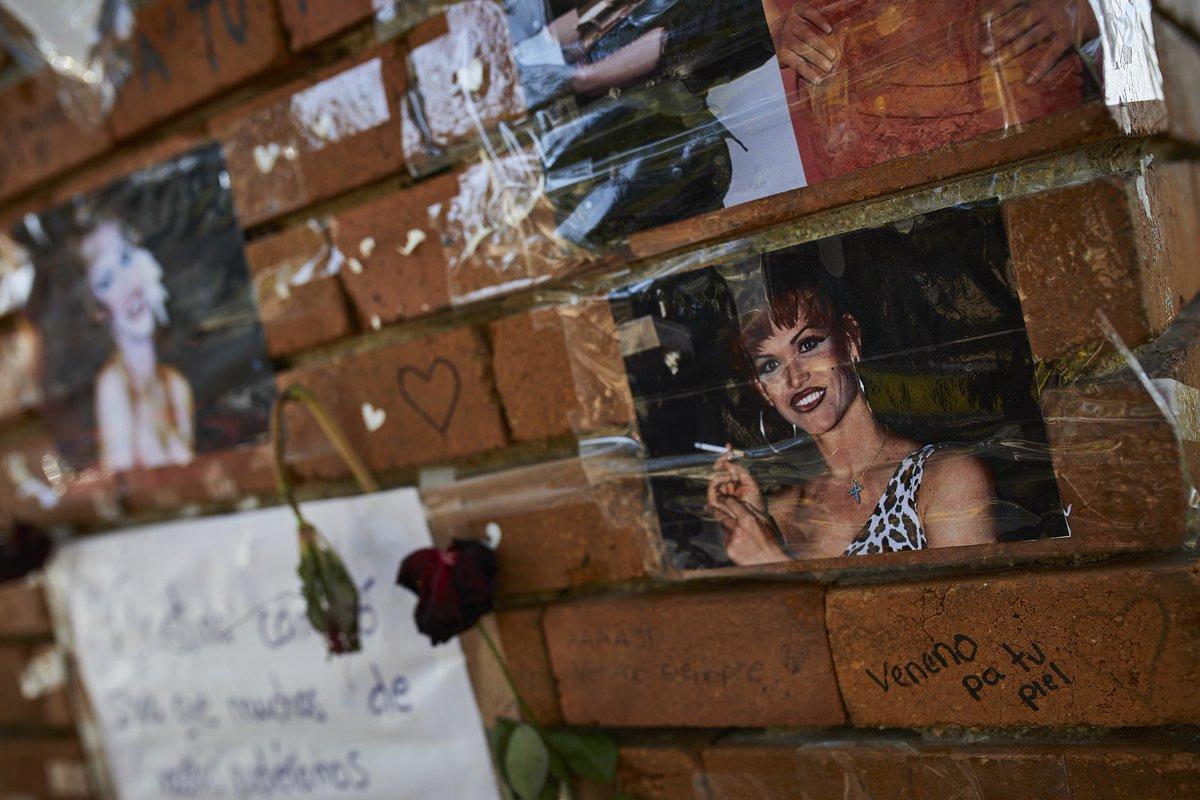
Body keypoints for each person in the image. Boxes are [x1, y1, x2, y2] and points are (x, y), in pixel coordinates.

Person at [705, 265, 997, 564]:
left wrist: (769, 562)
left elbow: (967, 610)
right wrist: (756, 522)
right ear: (762, 389)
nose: (795, 378)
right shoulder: (782, 511)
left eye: (808, 345)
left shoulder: (946, 478)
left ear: (850, 339)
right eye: (770, 365)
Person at [80, 219, 194, 472]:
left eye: (125, 260)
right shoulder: (113, 386)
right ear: (98, 310)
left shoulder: (176, 385)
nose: (128, 285)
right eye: (106, 281)